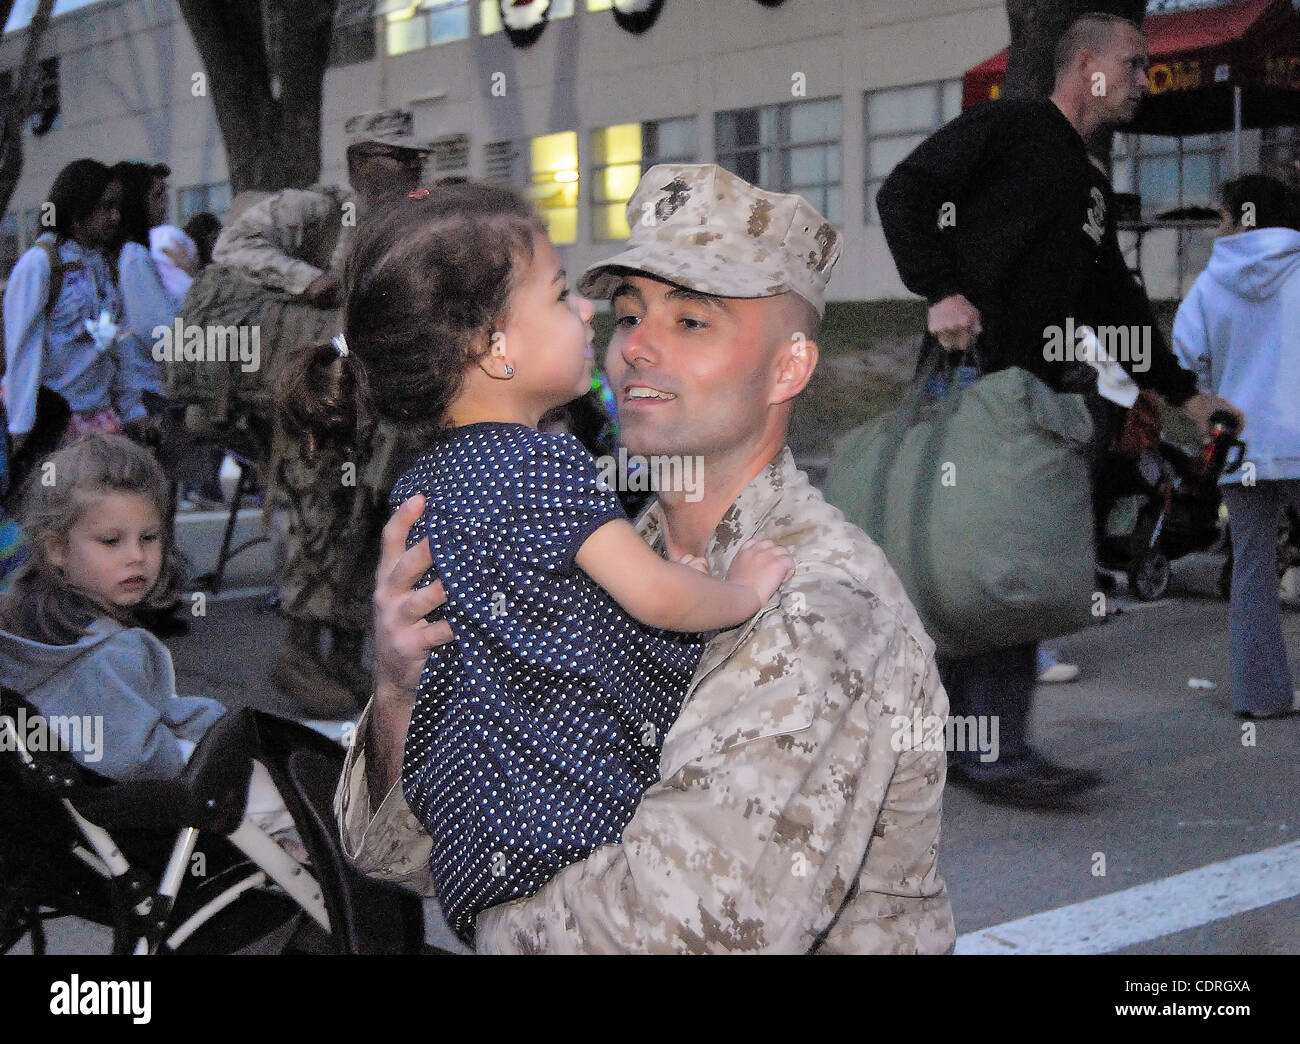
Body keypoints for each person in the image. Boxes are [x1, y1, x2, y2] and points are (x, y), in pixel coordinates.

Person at [337, 163, 956, 954]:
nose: (634, 349)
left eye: (692, 322)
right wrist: (398, 695)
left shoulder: (817, 605)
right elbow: (397, 851)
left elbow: (677, 936)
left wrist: (493, 929)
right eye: (629, 315)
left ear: (789, 367)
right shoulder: (593, 548)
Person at [279, 182, 794, 941]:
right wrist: (742, 588)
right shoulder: (541, 466)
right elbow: (656, 597)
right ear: (491, 347)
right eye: (558, 296)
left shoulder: (424, 484)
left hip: (486, 858)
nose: (587, 309)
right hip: (583, 842)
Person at [876, 11, 1242, 807]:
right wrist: (940, 287)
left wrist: (1185, 394)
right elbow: (906, 190)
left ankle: (971, 749)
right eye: (1137, 66)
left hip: (1032, 398)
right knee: (988, 563)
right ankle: (985, 752)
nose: (1147, 81)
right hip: (972, 383)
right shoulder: (1007, 128)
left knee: (990, 565)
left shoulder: (1088, 184)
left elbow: (1114, 301)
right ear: (1086, 65)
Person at [179, 109, 433, 716]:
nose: (409, 168)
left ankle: (343, 651)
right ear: (359, 162)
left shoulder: (411, 224)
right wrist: (308, 279)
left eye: (412, 158)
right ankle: (297, 651)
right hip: (312, 397)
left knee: (362, 521)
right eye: (395, 157)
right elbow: (234, 244)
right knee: (318, 515)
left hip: (375, 407)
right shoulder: (314, 209)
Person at [0, 434, 298, 847]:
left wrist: (203, 722)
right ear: (56, 549)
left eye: (149, 538)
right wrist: (214, 749)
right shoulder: (107, 652)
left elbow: (140, 714)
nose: (136, 556)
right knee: (300, 798)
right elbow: (138, 756)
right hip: (147, 819)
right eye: (111, 541)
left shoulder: (32, 632)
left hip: (68, 824)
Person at [1173, 173, 1300, 720]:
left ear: (1243, 217)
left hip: (1242, 444)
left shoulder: (1209, 284)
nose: (1219, 226)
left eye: (1224, 216)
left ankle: (1261, 696)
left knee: (1251, 568)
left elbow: (1184, 358)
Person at [3, 160, 145, 457]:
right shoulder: (39, 264)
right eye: (105, 207)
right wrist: (20, 426)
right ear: (77, 208)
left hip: (99, 421)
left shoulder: (105, 266)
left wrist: (133, 410)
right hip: (48, 424)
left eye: (117, 207)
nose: (115, 216)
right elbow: (23, 350)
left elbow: (118, 345)